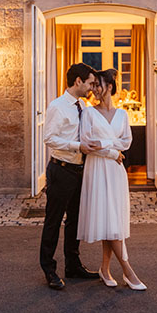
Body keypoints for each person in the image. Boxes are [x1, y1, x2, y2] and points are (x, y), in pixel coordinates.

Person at [77, 68, 147, 290]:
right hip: (98, 169)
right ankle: (128, 270)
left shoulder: (122, 115)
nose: (94, 89)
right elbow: (88, 144)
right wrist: (111, 149)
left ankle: (105, 269)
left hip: (116, 171)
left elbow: (126, 142)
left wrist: (105, 145)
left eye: (98, 85)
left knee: (113, 219)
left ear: (109, 86)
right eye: (93, 85)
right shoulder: (88, 113)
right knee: (109, 219)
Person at [40, 62, 100, 289]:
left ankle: (73, 266)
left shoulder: (82, 105)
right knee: (53, 221)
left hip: (79, 170)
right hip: (61, 169)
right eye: (90, 83)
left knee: (75, 220)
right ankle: (49, 270)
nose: (92, 87)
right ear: (78, 81)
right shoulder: (57, 106)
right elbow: (49, 139)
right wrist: (78, 146)